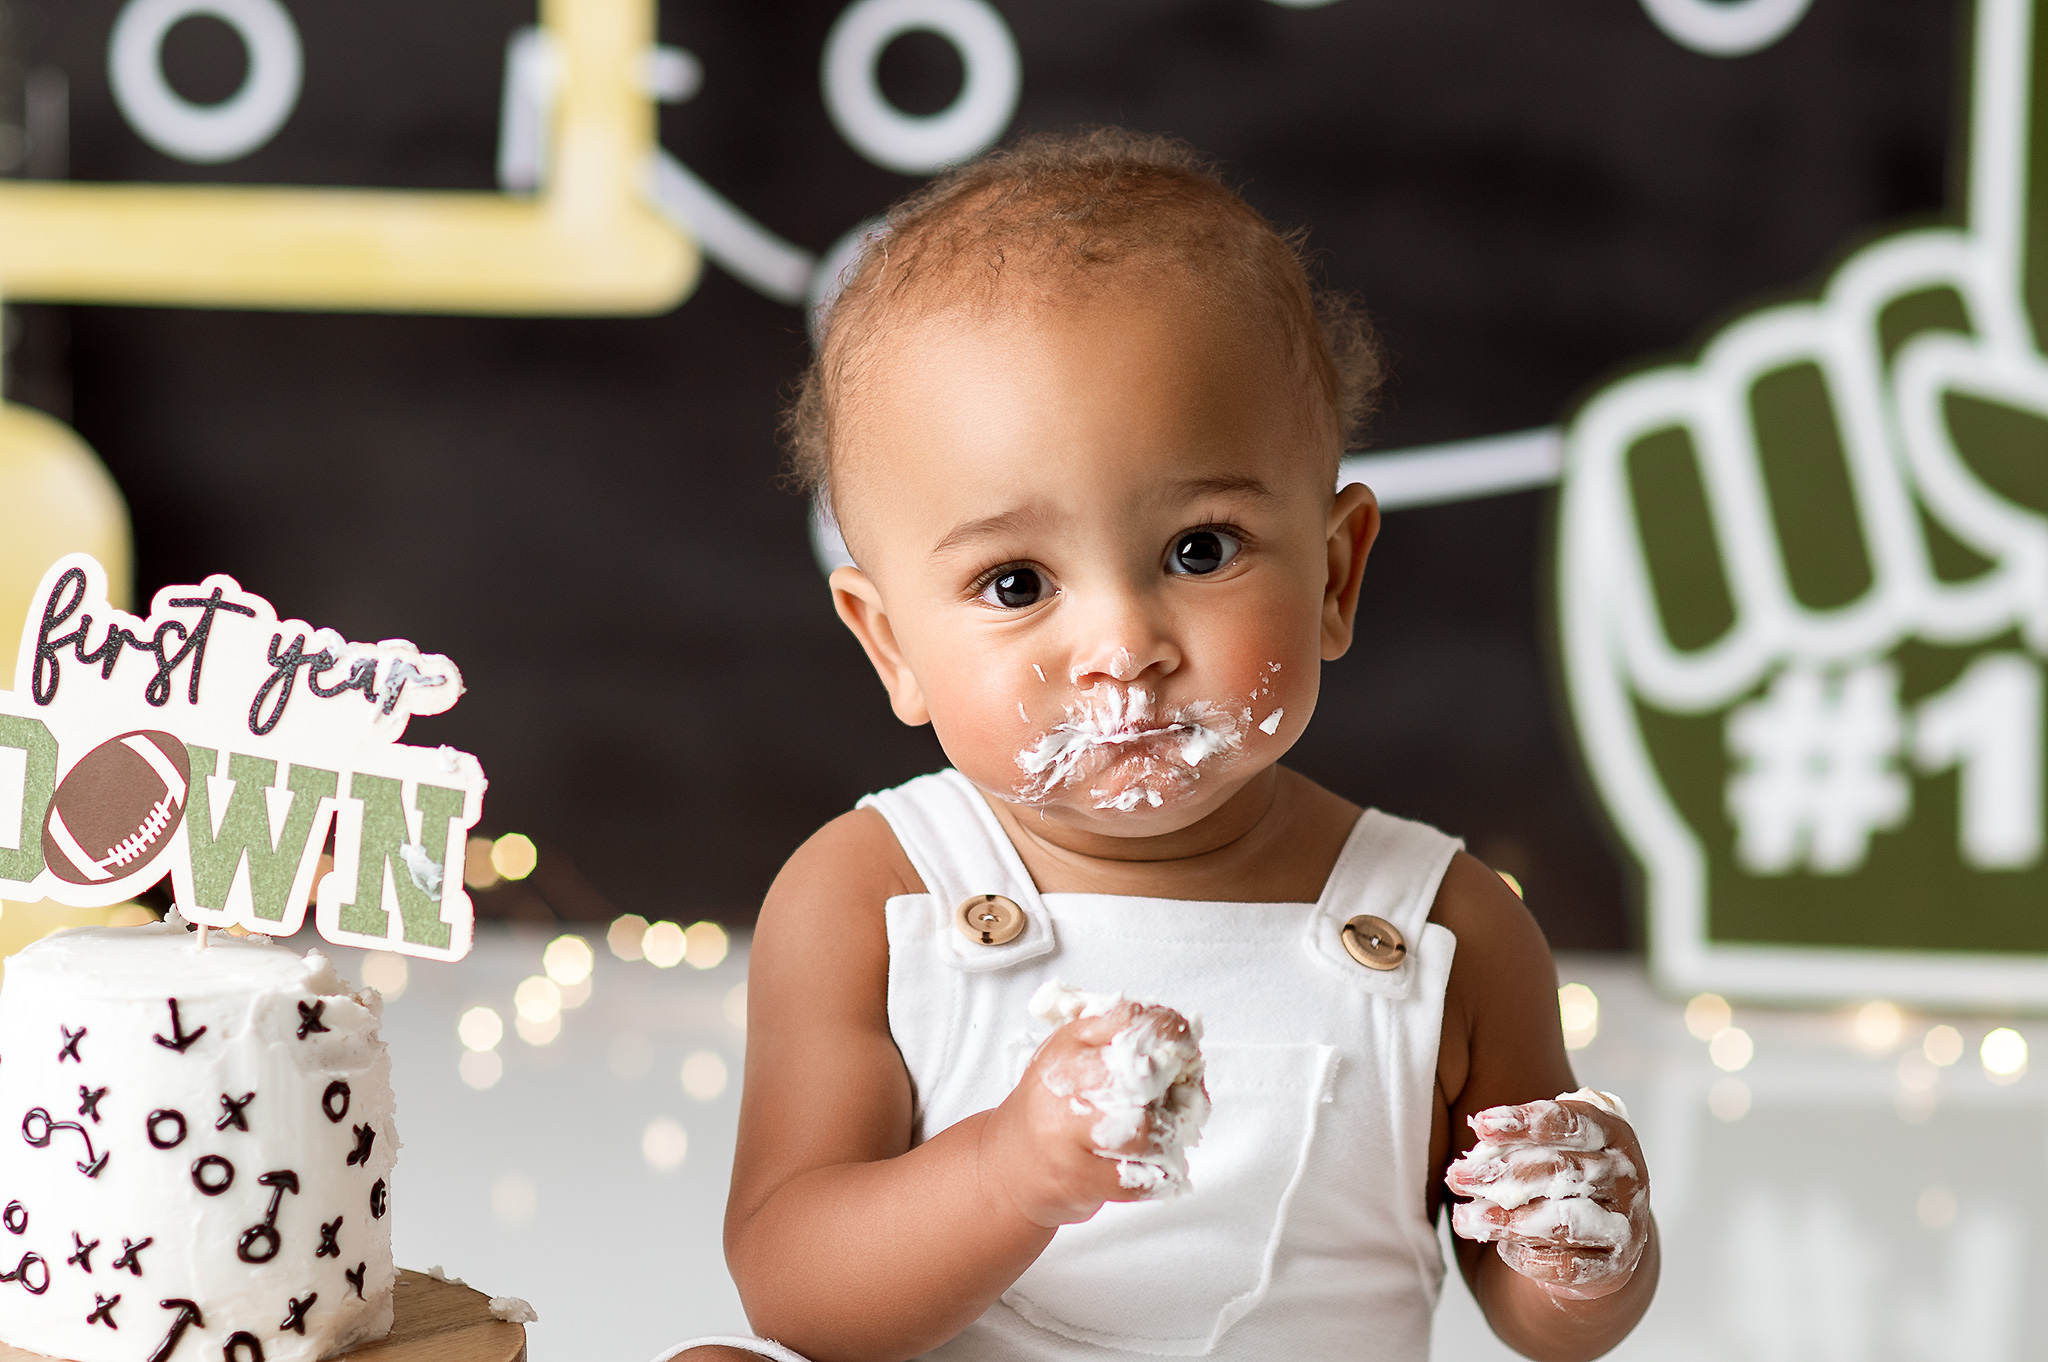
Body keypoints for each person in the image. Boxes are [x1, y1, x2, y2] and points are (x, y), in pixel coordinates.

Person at [662, 128, 1656, 1362]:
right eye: (1016, 582)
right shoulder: (872, 898)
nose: (1122, 646)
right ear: (891, 646)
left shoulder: (1446, 926)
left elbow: (1540, 1325)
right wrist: (1010, 1170)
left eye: (1199, 550)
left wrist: (1580, 1246)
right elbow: (795, 1285)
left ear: (1333, 574)